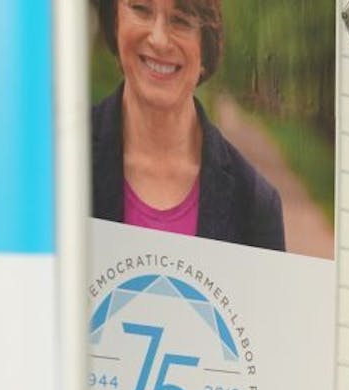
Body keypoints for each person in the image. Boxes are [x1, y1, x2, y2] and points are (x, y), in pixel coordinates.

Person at [90, 0, 286, 250]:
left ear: (205, 47)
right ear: (114, 21)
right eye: (140, 9)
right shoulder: (53, 160)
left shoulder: (256, 205)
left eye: (181, 20)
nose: (159, 40)